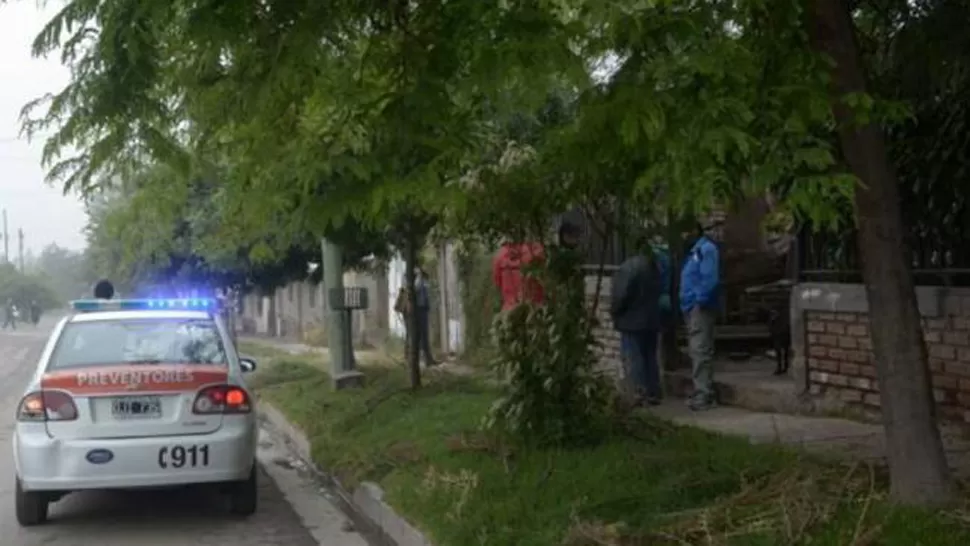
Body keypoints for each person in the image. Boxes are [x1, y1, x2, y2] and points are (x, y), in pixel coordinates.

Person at [611, 234, 664, 405]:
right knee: (650, 357)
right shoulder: (655, 267)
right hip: (651, 320)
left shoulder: (629, 267)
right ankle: (653, 392)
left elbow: (621, 295)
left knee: (635, 358)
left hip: (631, 321)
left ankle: (638, 393)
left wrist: (615, 312)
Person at [679, 221, 722, 411]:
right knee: (697, 349)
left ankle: (704, 393)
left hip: (700, 307)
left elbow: (709, 279)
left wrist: (699, 301)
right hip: (691, 306)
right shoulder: (694, 252)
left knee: (700, 349)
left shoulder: (706, 250)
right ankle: (701, 390)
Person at [492, 238, 545, 311]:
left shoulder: (500, 255)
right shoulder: (535, 249)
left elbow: (497, 283)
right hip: (533, 308)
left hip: (512, 308)